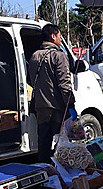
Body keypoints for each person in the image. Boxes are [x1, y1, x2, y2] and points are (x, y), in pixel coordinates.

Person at [28, 24, 75, 163]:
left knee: (43, 142)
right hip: (57, 108)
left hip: (40, 107)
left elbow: (30, 80)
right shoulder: (58, 56)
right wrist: (70, 105)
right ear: (53, 36)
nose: (60, 39)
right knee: (62, 144)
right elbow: (64, 84)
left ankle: (44, 169)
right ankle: (60, 171)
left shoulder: (34, 56)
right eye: (60, 36)